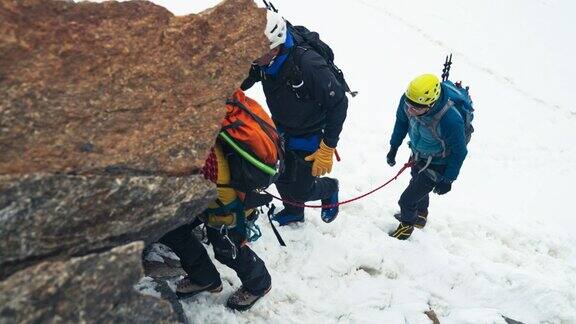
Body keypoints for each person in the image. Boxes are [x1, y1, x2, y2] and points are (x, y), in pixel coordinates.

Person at [156, 94, 273, 312]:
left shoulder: (195, 141)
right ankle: (205, 277)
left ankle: (259, 284)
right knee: (171, 229)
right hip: (216, 192)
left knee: (226, 248)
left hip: (226, 202)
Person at [240, 10, 349, 226]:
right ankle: (294, 211)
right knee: (279, 172)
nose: (254, 58)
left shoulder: (308, 64)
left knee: (301, 189)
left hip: (311, 131)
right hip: (281, 124)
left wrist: (328, 147)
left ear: (275, 45)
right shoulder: (263, 60)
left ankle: (329, 188)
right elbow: (244, 78)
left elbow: (338, 103)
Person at [386, 74, 469, 240]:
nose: (410, 110)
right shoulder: (409, 100)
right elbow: (401, 122)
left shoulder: (450, 120)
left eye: (416, 108)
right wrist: (394, 146)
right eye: (409, 105)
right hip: (418, 153)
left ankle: (406, 227)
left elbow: (460, 151)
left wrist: (448, 179)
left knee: (407, 200)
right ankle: (421, 216)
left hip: (440, 163)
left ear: (431, 104)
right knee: (416, 180)